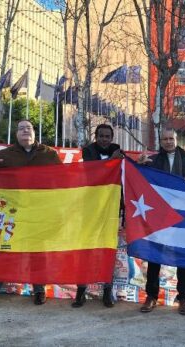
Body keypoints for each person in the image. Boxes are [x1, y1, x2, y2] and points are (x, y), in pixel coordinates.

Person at [0, 119, 62, 306]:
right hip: (11, 211)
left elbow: (63, 179)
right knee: (3, 250)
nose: (25, 131)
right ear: (16, 134)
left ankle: (39, 290)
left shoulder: (49, 154)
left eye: (29, 128)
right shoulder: (4, 155)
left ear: (34, 133)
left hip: (39, 211)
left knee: (37, 253)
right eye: (21, 128)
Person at [136, 128, 185, 316]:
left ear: (176, 139)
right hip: (159, 216)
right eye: (164, 139)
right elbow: (138, 179)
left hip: (182, 217)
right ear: (160, 141)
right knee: (154, 257)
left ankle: (183, 298)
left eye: (171, 138)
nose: (168, 142)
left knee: (183, 258)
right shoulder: (154, 160)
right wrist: (139, 165)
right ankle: (151, 296)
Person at [72, 124, 124, 309]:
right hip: (89, 209)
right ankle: (81, 291)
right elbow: (94, 172)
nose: (104, 139)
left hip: (110, 209)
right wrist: (112, 160)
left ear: (111, 137)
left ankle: (107, 291)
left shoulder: (118, 151)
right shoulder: (88, 151)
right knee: (85, 250)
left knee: (107, 250)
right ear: (96, 136)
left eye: (107, 136)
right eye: (101, 136)